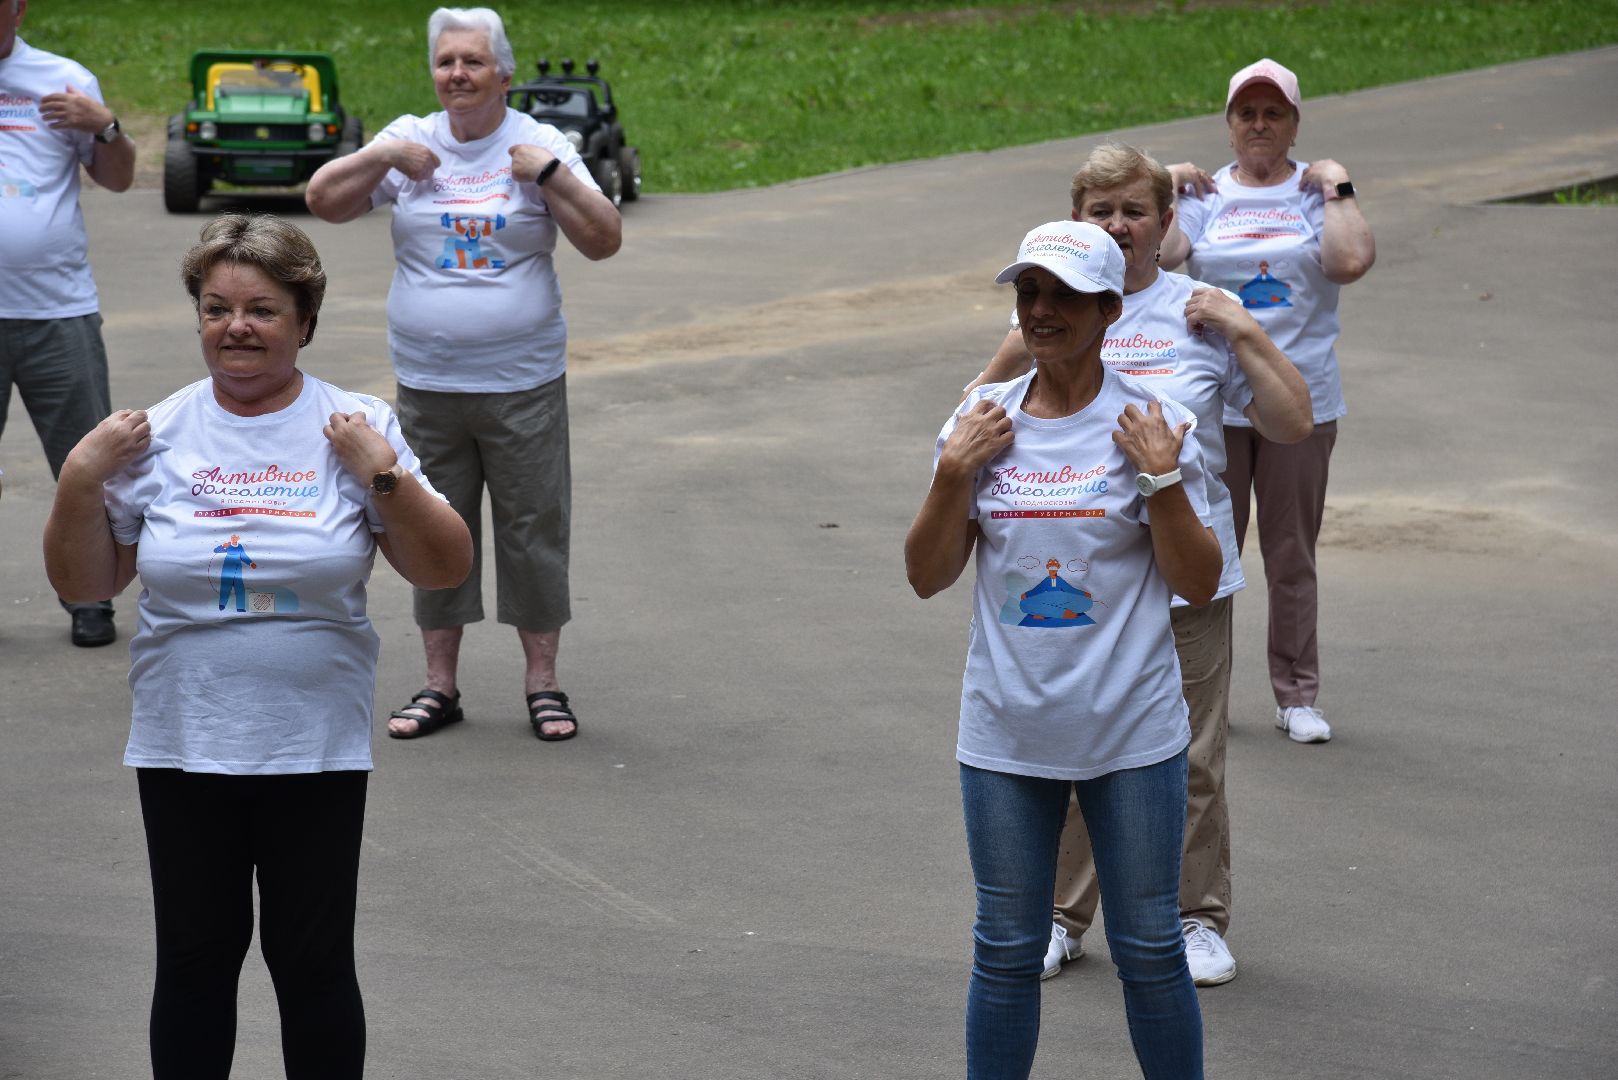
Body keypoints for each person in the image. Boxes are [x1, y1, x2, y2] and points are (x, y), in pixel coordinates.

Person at [42, 214, 473, 1079]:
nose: (236, 326)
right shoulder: (154, 432)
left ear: (304, 321)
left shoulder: (356, 424)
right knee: (196, 962)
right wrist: (80, 480)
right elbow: (88, 586)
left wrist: (381, 474)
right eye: (216, 307)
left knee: (311, 964)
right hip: (185, 740)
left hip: (312, 745)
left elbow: (444, 563)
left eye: (262, 309)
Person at [969, 144, 1311, 986]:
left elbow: (1292, 422)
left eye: (1134, 211)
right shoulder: (1044, 315)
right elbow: (973, 422)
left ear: (1166, 224)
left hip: (1182, 569)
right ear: (1076, 222)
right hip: (1073, 571)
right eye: (1100, 212)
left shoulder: (1203, 308)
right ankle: (1061, 913)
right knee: (1072, 741)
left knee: (1187, 754)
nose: (1118, 227)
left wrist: (1244, 328)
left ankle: (1195, 917)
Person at [907, 220, 1221, 1079]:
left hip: (1131, 733)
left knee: (1151, 948)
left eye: (1063, 296)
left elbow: (1199, 580)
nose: (1041, 312)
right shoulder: (979, 425)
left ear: (1109, 309)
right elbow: (927, 575)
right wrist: (950, 477)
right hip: (1008, 735)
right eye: (1028, 293)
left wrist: (1159, 480)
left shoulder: (1156, 427)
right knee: (1006, 948)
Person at [305, 5, 621, 743]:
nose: (457, 74)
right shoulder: (410, 140)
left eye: (473, 61)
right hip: (428, 383)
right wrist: (383, 156)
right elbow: (323, 200)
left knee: (533, 528)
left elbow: (603, 239)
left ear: (504, 72)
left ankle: (543, 684)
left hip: (523, 382)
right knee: (429, 527)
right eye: (446, 62)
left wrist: (549, 178)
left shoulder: (538, 143)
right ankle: (439, 685)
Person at [1161, 58, 1376, 745]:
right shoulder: (1204, 194)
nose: (1259, 124)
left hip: (1298, 399)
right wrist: (1163, 188)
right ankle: (1194, 698)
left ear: (1292, 125)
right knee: (1206, 550)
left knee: (1290, 553)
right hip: (1213, 404)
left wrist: (1338, 183)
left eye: (1272, 113)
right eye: (1245, 113)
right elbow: (1158, 258)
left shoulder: (1317, 193)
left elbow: (1347, 263)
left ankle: (1297, 694)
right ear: (1228, 127)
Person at [1, 0, 136, 646]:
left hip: (58, 308)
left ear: (18, 8)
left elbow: (118, 179)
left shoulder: (64, 79)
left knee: (88, 462)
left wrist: (105, 127)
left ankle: (91, 597)